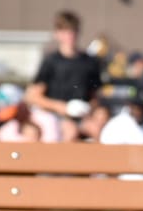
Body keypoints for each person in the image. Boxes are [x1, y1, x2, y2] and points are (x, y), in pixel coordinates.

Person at [24, 10, 102, 142]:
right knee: (69, 131)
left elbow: (95, 96)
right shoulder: (51, 61)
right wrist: (63, 108)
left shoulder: (89, 62)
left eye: (73, 31)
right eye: (65, 31)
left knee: (97, 129)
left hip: (81, 117)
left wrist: (88, 109)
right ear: (57, 34)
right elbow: (33, 96)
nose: (70, 36)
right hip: (53, 116)